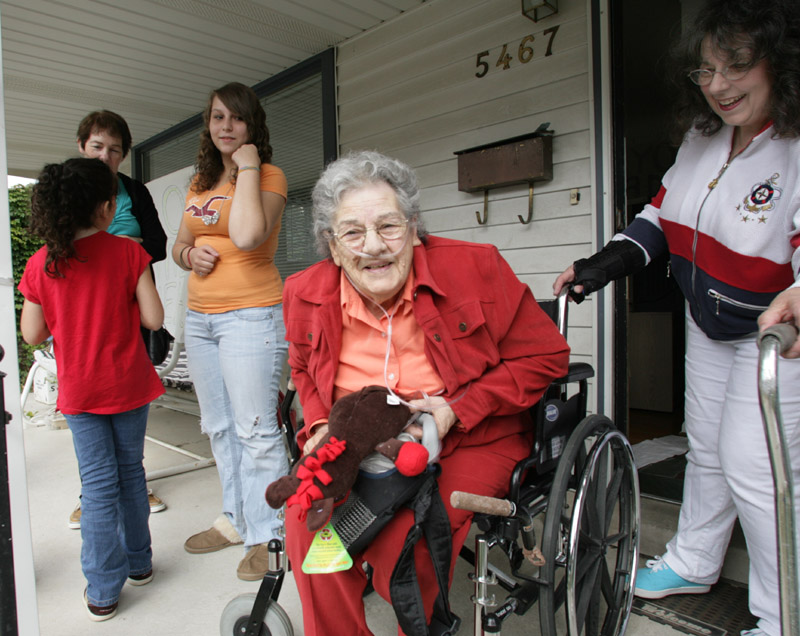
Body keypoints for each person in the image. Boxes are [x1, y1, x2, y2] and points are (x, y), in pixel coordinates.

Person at [553, 2, 800, 634]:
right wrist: (603, 263)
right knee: (708, 450)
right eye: (705, 70)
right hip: (707, 320)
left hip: (774, 332)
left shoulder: (795, 148)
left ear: (782, 61)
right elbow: (662, 217)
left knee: (758, 464)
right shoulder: (702, 137)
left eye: (737, 65)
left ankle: (782, 615)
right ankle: (693, 561)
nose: (718, 85)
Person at [282, 150, 570, 635]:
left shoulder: (475, 269)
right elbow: (303, 369)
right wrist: (319, 425)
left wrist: (457, 409)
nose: (374, 246)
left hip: (472, 436)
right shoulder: (304, 292)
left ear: (414, 228)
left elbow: (546, 356)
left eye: (389, 227)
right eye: (353, 232)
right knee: (306, 524)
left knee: (412, 536)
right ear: (332, 246)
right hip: (357, 440)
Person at [18, 158, 165, 621]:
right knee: (132, 473)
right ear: (104, 208)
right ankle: (140, 564)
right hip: (128, 385)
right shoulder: (127, 252)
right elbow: (155, 319)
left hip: (81, 392)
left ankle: (103, 590)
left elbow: (31, 335)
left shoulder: (42, 263)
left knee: (98, 487)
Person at [172, 82, 290, 580]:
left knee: (257, 431)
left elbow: (245, 235)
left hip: (251, 316)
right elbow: (179, 244)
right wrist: (188, 255)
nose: (225, 126)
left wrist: (245, 166)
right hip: (200, 321)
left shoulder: (268, 175)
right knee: (219, 429)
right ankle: (236, 518)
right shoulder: (198, 183)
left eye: (236, 119)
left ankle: (272, 533)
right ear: (209, 123)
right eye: (218, 117)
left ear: (251, 126)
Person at [69, 109, 169, 528]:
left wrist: (118, 251)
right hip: (82, 313)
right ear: (82, 146)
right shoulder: (67, 190)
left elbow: (159, 245)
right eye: (97, 147)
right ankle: (91, 495)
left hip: (129, 306)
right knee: (88, 402)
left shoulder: (133, 191)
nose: (105, 156)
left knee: (126, 397)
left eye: (114, 150)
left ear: (123, 156)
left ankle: (134, 485)